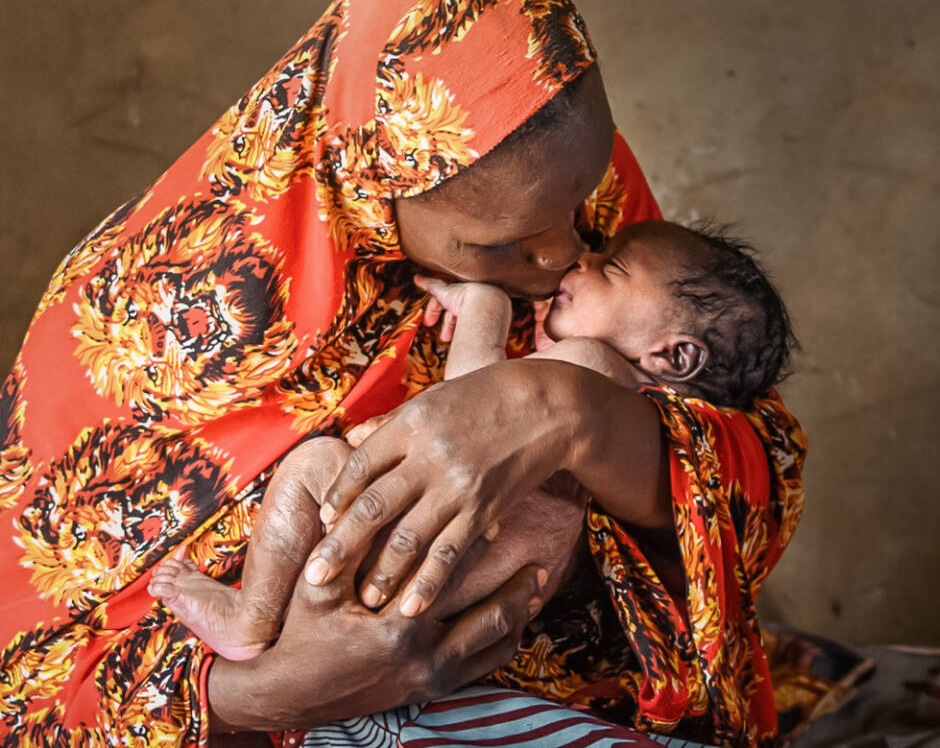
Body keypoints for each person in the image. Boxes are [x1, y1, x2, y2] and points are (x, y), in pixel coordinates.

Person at [0, 0, 806, 748]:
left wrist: (566, 410)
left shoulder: (576, 197)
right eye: (499, 245)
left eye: (579, 208)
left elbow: (751, 468)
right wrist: (266, 694)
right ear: (369, 179)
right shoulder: (141, 308)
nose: (564, 251)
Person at [148, 218, 795, 661]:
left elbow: (472, 404)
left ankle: (251, 619)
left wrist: (486, 304)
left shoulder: (594, 368)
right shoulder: (635, 414)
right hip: (464, 589)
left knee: (314, 463)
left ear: (674, 355)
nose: (582, 256)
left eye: (613, 267)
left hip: (444, 560)